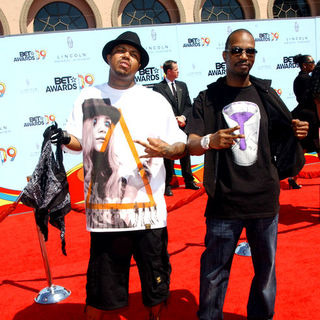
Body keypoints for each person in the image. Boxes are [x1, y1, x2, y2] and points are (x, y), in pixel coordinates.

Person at [50, 31, 187, 320]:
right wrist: (63, 137)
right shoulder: (88, 97)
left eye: (134, 54)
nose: (127, 56)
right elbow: (78, 142)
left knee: (155, 284)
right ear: (109, 57)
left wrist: (169, 149)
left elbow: (179, 145)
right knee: (103, 290)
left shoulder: (155, 100)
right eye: (121, 50)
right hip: (105, 215)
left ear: (140, 65)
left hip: (148, 213)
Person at [186, 29, 309, 320]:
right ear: (225, 55)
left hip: (265, 201)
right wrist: (209, 140)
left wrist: (297, 131)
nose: (244, 56)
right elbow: (191, 143)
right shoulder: (208, 98)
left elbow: (282, 135)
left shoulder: (266, 94)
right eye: (237, 50)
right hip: (224, 203)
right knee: (214, 273)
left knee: (265, 273)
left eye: (250, 51)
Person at [153, 60, 200, 196]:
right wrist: (174, 119)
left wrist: (183, 118)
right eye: (176, 69)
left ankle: (189, 180)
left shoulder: (182, 86)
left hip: (182, 125)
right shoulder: (158, 88)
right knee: (168, 155)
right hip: (167, 126)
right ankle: (167, 184)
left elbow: (188, 106)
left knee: (185, 152)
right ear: (169, 71)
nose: (178, 71)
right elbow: (158, 108)